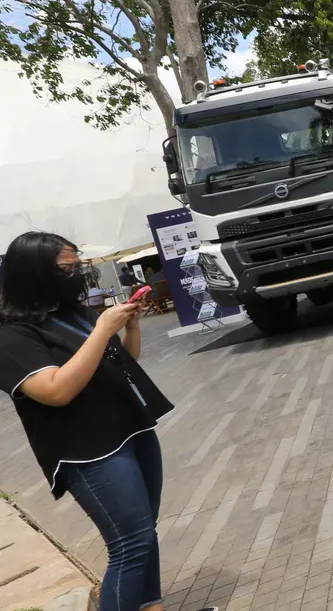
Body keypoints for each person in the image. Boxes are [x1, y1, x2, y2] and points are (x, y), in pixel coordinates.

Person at [0, 233, 212, 611]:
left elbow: (123, 359)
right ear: (32, 274)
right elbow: (55, 391)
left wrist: (129, 326)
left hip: (132, 430)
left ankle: (152, 607)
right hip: (88, 451)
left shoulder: (72, 312)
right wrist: (101, 330)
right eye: (67, 269)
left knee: (144, 533)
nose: (76, 276)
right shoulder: (12, 335)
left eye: (77, 266)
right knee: (129, 545)